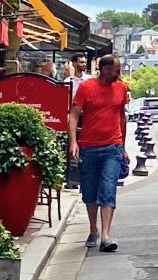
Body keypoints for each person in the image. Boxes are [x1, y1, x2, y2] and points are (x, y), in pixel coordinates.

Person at [68, 55, 129, 252]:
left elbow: (121, 117)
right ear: (104, 70)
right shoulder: (86, 87)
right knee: (90, 191)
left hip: (113, 146)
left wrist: (124, 147)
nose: (119, 74)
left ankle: (106, 236)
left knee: (108, 189)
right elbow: (74, 114)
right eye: (116, 70)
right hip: (89, 147)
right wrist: (73, 142)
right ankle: (93, 229)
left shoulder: (121, 88)